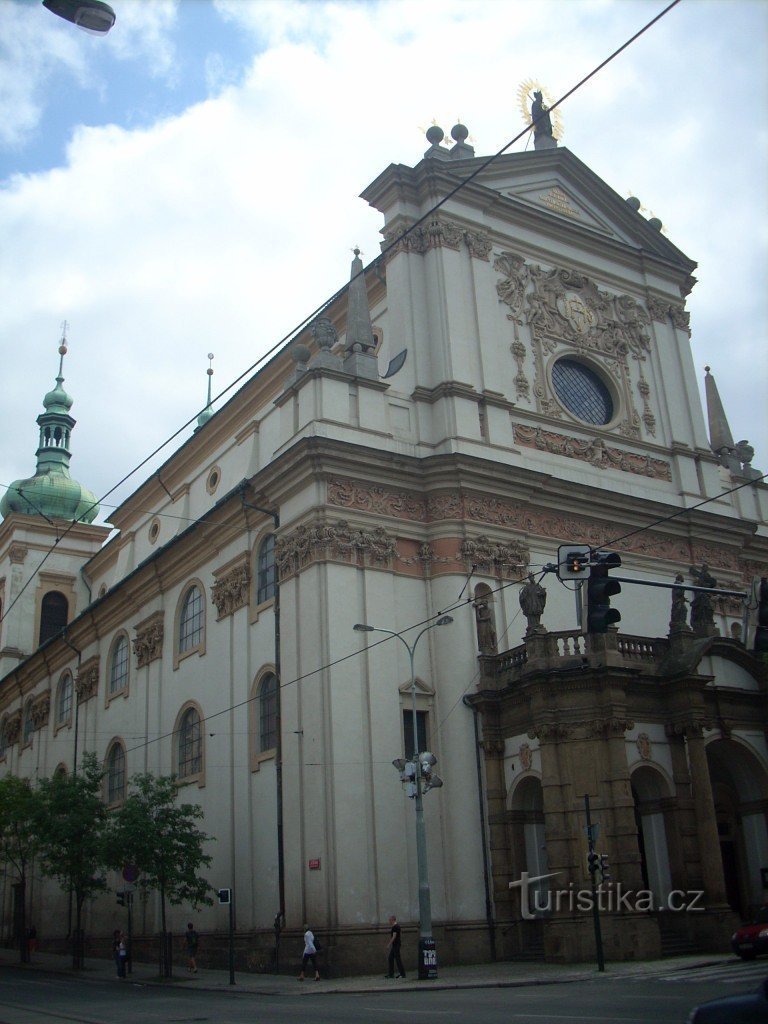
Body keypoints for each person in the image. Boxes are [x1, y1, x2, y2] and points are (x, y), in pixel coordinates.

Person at [385, 915, 405, 979]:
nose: (389, 922)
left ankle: (402, 974)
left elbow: (394, 936)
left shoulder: (395, 927)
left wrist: (389, 944)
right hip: (396, 945)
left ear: (393, 920)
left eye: (390, 920)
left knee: (398, 959)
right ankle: (391, 974)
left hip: (396, 945)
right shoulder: (396, 926)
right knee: (390, 958)